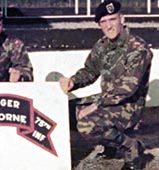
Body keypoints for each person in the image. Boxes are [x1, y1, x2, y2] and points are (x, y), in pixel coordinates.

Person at [58, 1, 153, 169]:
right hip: (107, 102)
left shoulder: (138, 49)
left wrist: (95, 106)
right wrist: (73, 81)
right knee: (63, 111)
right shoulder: (102, 46)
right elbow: (89, 71)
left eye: (112, 19)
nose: (109, 26)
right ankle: (111, 146)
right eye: (103, 22)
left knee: (86, 124)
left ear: (122, 19)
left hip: (128, 107)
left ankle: (131, 147)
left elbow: (126, 89)